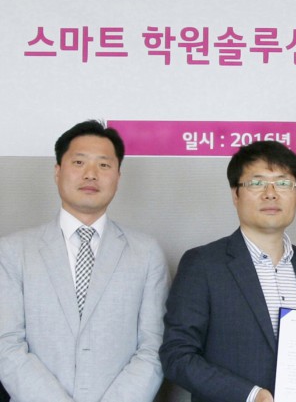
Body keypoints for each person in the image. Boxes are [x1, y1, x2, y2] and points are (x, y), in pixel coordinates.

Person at [0, 120, 170, 401]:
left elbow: (153, 348)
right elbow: (7, 345)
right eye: (79, 162)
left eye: (104, 165)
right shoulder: (12, 251)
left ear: (118, 176)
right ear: (57, 171)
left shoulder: (146, 253)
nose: (91, 174)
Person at [159, 140, 296, 402]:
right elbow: (177, 355)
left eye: (283, 183)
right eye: (256, 183)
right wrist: (251, 395)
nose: (270, 193)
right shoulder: (203, 264)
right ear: (236, 194)